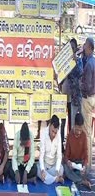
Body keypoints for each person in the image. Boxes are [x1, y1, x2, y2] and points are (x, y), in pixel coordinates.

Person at [64, 113, 91, 189]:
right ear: (74, 125)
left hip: (80, 163)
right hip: (72, 164)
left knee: (87, 169)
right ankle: (81, 181)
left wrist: (84, 166)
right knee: (65, 167)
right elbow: (66, 156)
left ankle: (74, 177)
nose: (79, 132)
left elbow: (86, 155)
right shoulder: (70, 136)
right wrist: (68, 162)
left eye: (80, 130)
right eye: (77, 129)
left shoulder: (84, 135)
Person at [81, 37, 95, 168]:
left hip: (87, 98)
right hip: (91, 98)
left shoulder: (90, 64)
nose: (83, 46)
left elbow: (88, 84)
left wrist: (81, 86)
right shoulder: (91, 61)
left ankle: (88, 163)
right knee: (88, 131)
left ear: (89, 47)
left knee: (87, 132)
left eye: (85, 45)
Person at [37, 115, 64, 185]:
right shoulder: (43, 133)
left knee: (61, 169)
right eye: (52, 131)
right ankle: (56, 179)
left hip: (53, 166)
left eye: (55, 132)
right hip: (45, 165)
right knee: (37, 168)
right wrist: (42, 170)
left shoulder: (58, 135)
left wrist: (57, 170)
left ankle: (50, 178)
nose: (53, 134)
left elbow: (59, 156)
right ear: (50, 125)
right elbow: (41, 155)